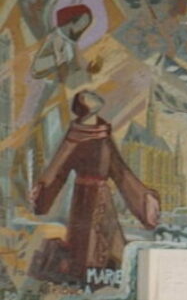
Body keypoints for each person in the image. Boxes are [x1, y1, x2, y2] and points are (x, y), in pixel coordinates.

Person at [29, 91, 160, 284]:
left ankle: (106, 276)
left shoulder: (103, 133)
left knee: (108, 242)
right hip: (83, 197)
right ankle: (87, 276)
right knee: (85, 245)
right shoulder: (75, 136)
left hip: (103, 196)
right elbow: (58, 169)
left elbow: (120, 171)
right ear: (84, 108)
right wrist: (42, 192)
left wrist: (143, 198)